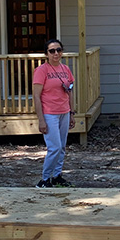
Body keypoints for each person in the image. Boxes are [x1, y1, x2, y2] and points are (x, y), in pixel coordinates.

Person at [32, 38, 75, 188]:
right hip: (50, 113)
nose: (56, 53)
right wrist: (41, 119)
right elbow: (36, 96)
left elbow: (69, 91)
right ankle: (44, 179)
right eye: (52, 51)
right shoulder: (41, 71)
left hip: (65, 111)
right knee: (54, 147)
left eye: (58, 50)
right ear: (46, 54)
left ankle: (57, 175)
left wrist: (72, 112)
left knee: (62, 146)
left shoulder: (65, 69)